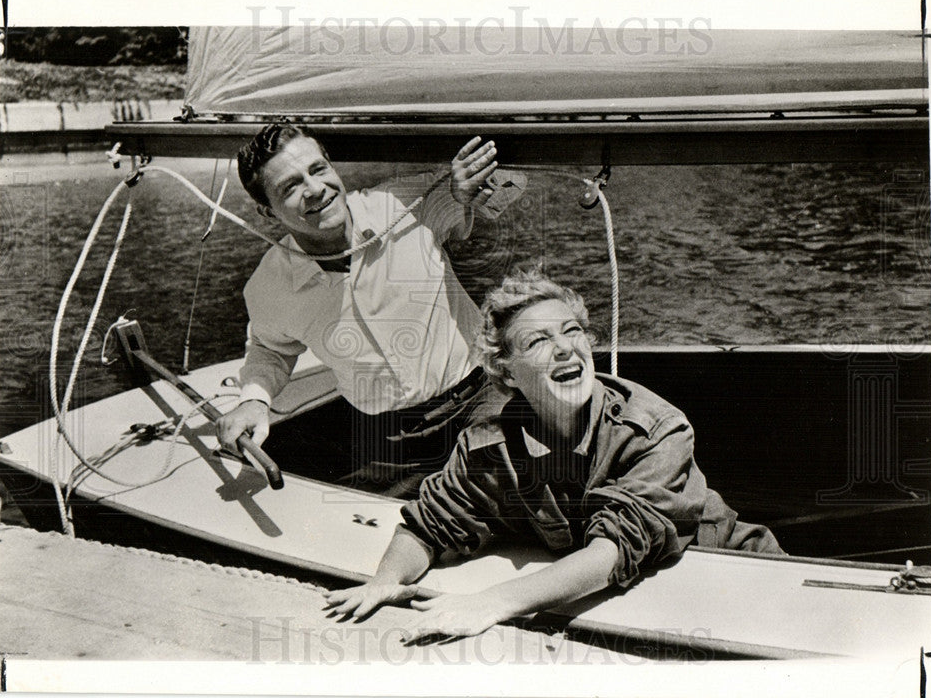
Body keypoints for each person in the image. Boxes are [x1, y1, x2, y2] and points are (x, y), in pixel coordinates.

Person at [323, 269, 782, 640]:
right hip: (631, 600)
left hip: (735, 573)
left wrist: (490, 602)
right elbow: (431, 523)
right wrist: (387, 579)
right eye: (538, 341)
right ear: (504, 371)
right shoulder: (487, 443)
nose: (566, 347)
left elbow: (612, 550)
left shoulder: (656, 429)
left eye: (572, 330)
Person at [216, 124, 525, 496]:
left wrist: (464, 192)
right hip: (388, 440)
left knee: (508, 498)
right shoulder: (269, 286)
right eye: (290, 187)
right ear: (267, 211)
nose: (314, 190)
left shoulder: (406, 203)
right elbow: (271, 348)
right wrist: (254, 399)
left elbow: (513, 178)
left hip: (481, 400)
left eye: (318, 170)